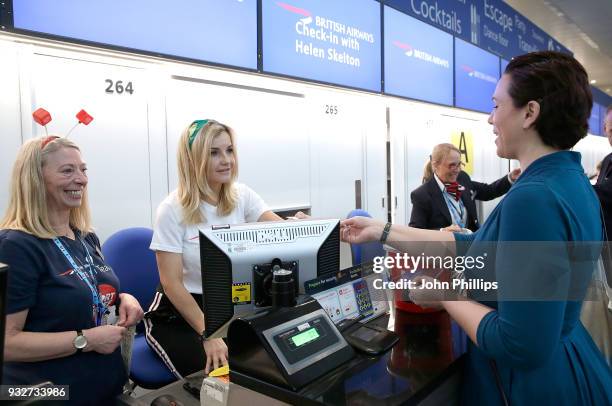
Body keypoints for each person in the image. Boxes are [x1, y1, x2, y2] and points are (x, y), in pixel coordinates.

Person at [341, 52, 612, 404]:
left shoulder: (534, 199)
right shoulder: (569, 179)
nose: (490, 119)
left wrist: (445, 297)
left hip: (530, 388)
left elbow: (520, 345)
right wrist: (382, 231)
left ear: (530, 112)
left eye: (497, 106)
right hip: (573, 363)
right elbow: (478, 249)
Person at [0, 136, 144, 405]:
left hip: (104, 387)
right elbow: (7, 343)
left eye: (83, 170)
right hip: (48, 394)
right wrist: (85, 340)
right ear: (35, 180)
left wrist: (124, 298)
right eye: (67, 170)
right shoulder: (16, 246)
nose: (81, 179)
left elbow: (87, 290)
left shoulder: (85, 237)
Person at [145, 119, 289, 378]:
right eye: (214, 153)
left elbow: (286, 233)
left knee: (271, 365)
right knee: (221, 378)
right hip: (181, 312)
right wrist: (207, 334)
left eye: (229, 150)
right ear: (193, 159)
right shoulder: (171, 209)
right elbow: (172, 284)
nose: (226, 160)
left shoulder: (241, 195)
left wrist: (311, 225)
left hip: (229, 306)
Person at [410, 143, 519, 232]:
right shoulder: (422, 195)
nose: (457, 170)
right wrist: (442, 232)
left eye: (459, 164)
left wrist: (510, 178)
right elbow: (415, 233)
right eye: (452, 165)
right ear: (435, 165)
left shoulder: (463, 178)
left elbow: (488, 191)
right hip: (444, 255)